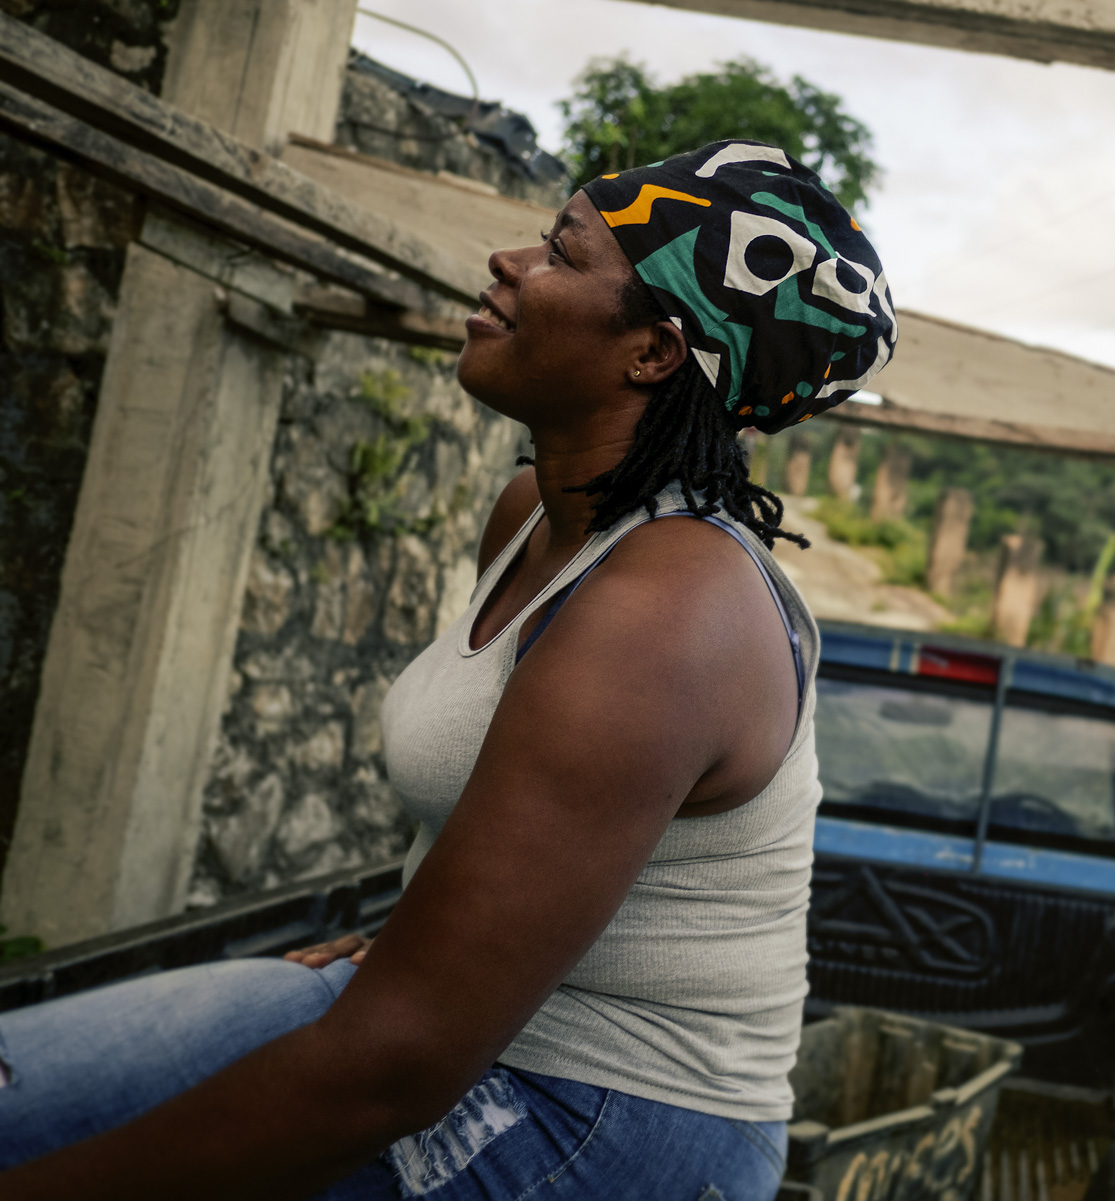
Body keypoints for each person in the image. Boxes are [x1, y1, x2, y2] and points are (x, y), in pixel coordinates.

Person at [0, 139, 896, 1200]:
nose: (508, 260)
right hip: (459, 1032)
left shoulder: (668, 615)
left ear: (654, 353)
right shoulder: (535, 515)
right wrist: (417, 957)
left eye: (560, 252)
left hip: (614, 1122)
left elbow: (392, 1072)